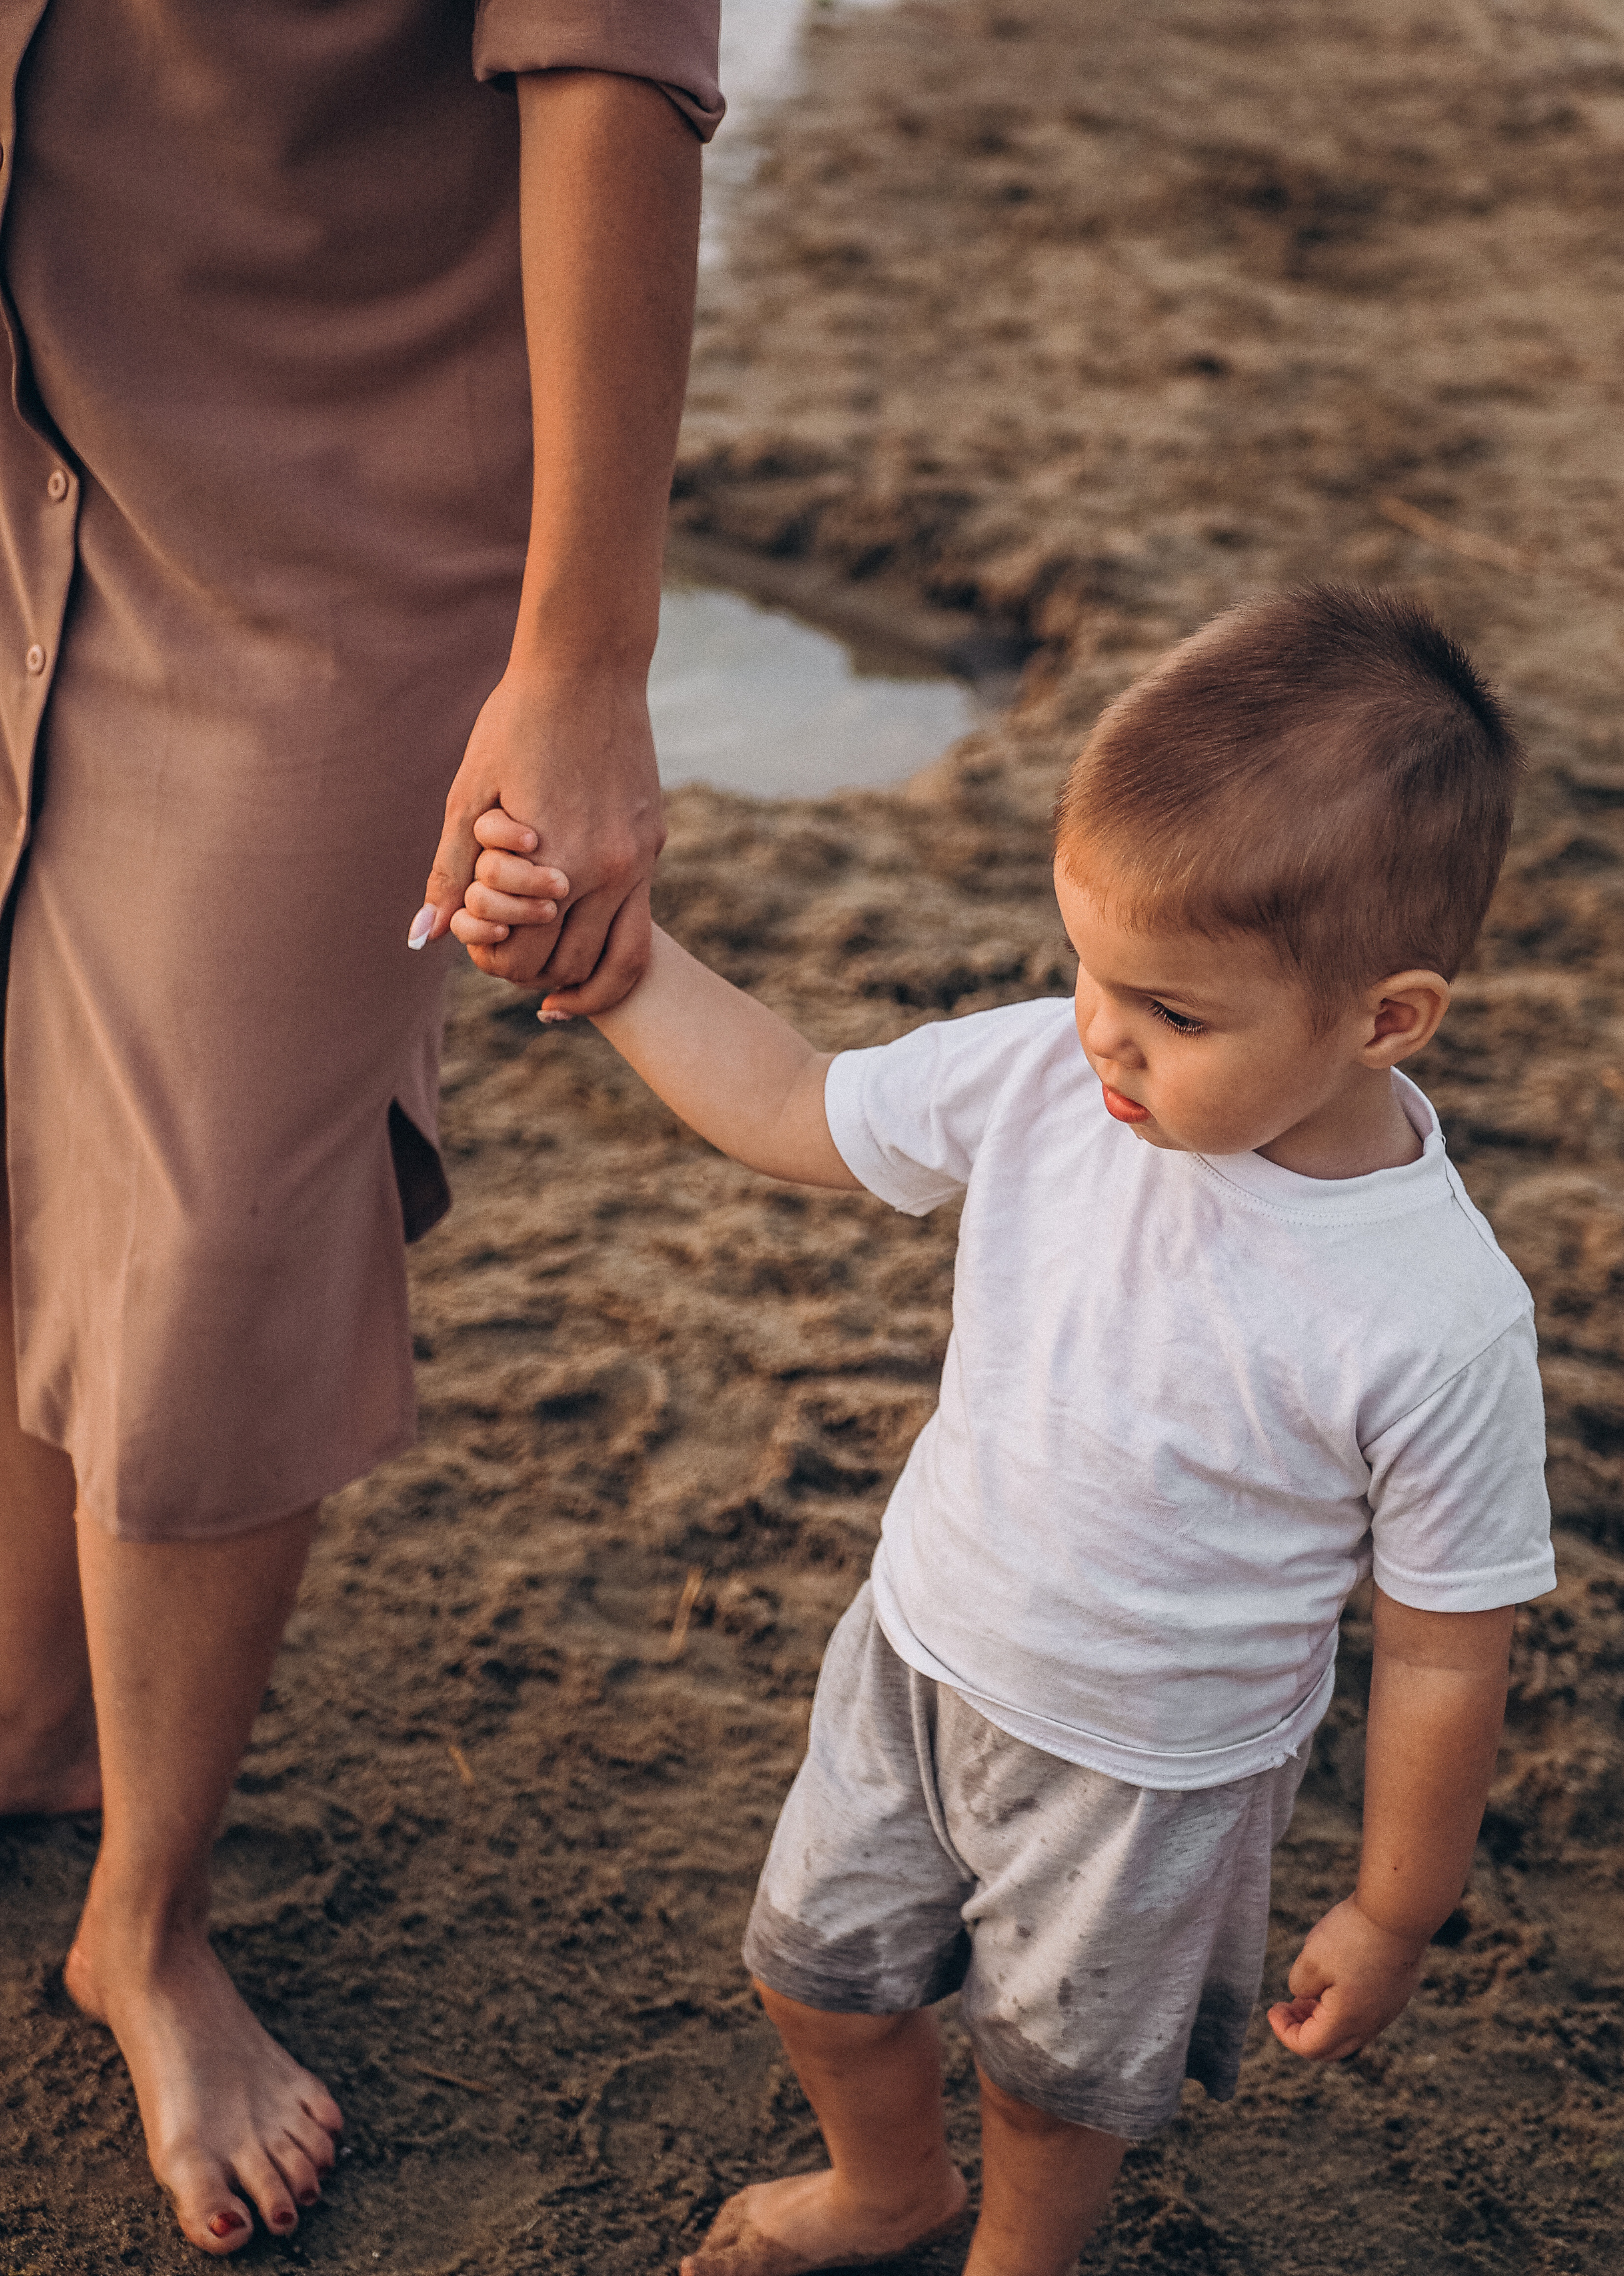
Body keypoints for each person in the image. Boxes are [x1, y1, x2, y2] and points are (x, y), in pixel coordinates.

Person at [452, 585, 1556, 2276]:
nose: (1103, 1034)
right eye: (1088, 972)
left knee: (1054, 2089)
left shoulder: (1434, 1316)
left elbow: (1438, 1651)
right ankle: (886, 2184)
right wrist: (616, 965)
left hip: (1148, 1771)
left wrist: (1392, 1906)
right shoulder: (1053, 1074)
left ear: (1383, 1019)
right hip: (912, 1652)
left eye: (1176, 1015)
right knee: (812, 1972)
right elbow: (788, 1105)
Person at [0, 3, 718, 2257]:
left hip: (337, 493)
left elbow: (613, 62)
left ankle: (149, 1916)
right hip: (26, 397)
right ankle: (26, 1718)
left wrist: (586, 657)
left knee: (220, 1212)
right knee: (35, 1133)